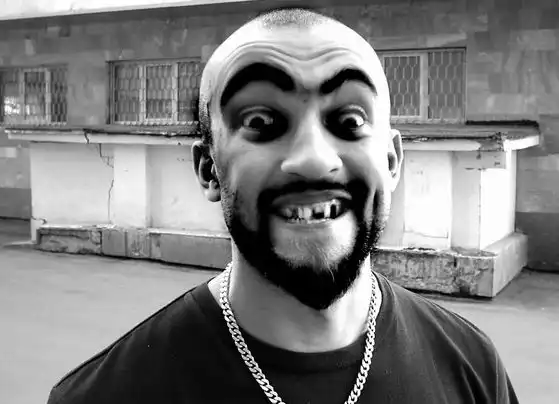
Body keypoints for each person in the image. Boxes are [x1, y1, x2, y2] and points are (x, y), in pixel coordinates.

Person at [48, 7, 519, 404]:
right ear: (209, 169)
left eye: (349, 121)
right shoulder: (105, 395)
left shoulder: (472, 369)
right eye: (260, 121)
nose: (313, 159)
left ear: (392, 161)